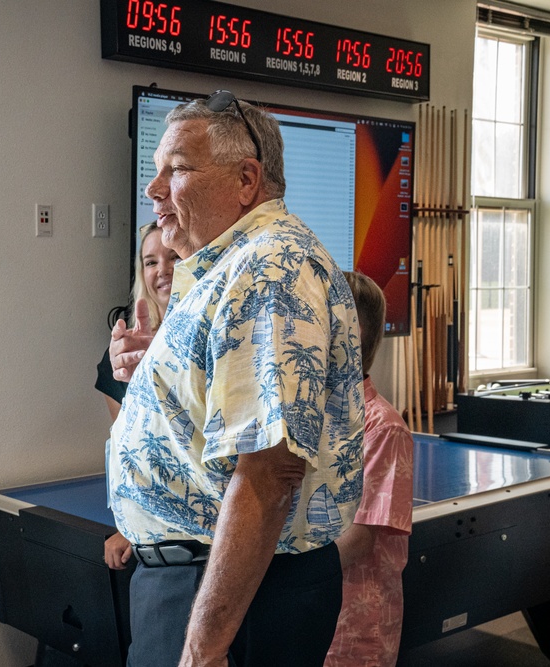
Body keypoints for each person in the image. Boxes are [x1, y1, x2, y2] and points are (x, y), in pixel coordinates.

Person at [107, 90, 364, 667]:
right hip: (209, 582)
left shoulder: (270, 270)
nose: (153, 191)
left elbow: (270, 473)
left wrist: (204, 647)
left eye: (174, 171)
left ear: (247, 180)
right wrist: (161, 369)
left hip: (232, 594)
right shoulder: (234, 266)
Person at [325, 272, 413, 667]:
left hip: (355, 629)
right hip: (308, 613)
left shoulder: (383, 427)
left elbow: (359, 540)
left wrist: (279, 571)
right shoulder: (309, 416)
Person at [97, 222, 178, 570]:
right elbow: (129, 452)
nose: (162, 270)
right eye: (150, 261)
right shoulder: (124, 353)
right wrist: (129, 525)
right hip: (155, 540)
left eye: (173, 256)